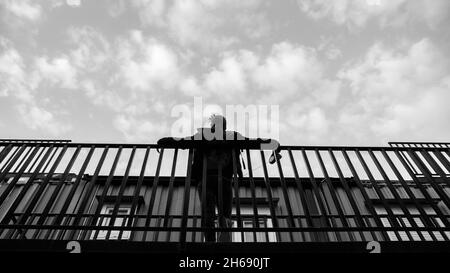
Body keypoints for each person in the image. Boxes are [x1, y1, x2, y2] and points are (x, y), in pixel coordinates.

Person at [157, 114, 281, 242]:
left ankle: (210, 239)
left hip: (206, 179)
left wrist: (163, 142)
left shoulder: (203, 135)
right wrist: (273, 144)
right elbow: (252, 143)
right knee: (225, 211)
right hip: (224, 178)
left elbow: (183, 142)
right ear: (224, 125)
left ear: (213, 125)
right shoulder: (232, 136)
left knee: (207, 211)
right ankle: (224, 228)